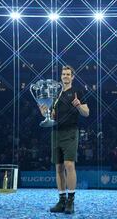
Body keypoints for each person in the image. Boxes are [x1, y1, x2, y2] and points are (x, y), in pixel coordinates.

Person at [39, 65, 89, 214]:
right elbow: (52, 115)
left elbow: (86, 113)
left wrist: (79, 105)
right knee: (59, 168)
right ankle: (61, 200)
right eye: (63, 74)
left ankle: (71, 201)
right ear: (61, 76)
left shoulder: (78, 92)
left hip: (71, 132)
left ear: (72, 77)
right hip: (56, 132)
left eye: (68, 74)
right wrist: (45, 113)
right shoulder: (55, 94)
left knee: (69, 164)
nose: (65, 76)